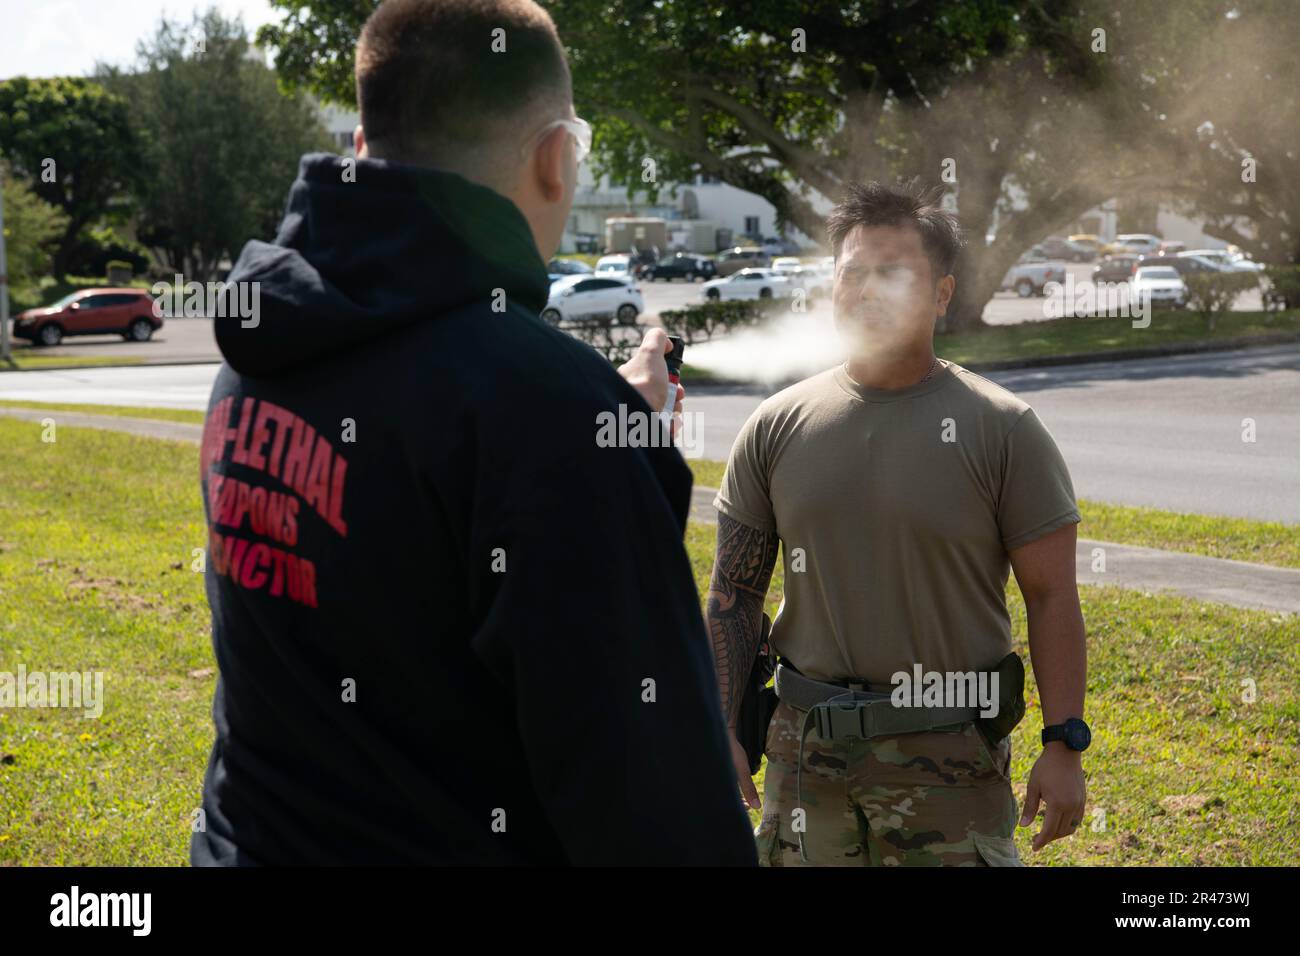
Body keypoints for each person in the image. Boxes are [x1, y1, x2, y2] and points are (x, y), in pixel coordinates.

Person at [192, 0, 756, 866]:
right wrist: (600, 450)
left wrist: (602, 439)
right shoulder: (547, 418)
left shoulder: (262, 343)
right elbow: (666, 820)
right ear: (556, 157)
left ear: (359, 150)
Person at [707, 180, 1089, 866]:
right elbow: (735, 594)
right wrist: (719, 726)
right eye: (852, 272)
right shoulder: (776, 426)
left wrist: (1063, 744)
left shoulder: (1003, 429)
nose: (867, 290)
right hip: (803, 757)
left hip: (949, 758)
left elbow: (1053, 595)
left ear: (942, 294)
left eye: (893, 273)